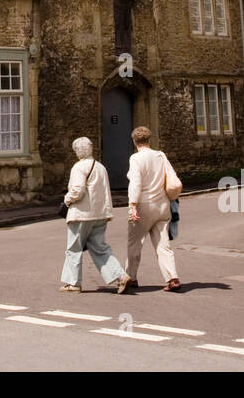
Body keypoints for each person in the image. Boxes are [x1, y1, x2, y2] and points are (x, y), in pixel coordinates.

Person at [60, 136, 132, 294]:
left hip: (81, 214)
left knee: (73, 249)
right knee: (100, 248)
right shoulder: (100, 167)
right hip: (100, 214)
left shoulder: (78, 167)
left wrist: (67, 199)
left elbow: (78, 190)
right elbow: (105, 191)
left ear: (78, 151)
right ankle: (120, 276)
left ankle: (73, 283)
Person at [125, 126, 179, 292]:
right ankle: (172, 278)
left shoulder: (136, 158)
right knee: (163, 244)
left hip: (144, 205)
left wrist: (133, 205)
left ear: (134, 141)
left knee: (135, 243)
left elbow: (136, 183)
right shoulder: (160, 155)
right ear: (149, 140)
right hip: (163, 205)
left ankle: (131, 277)